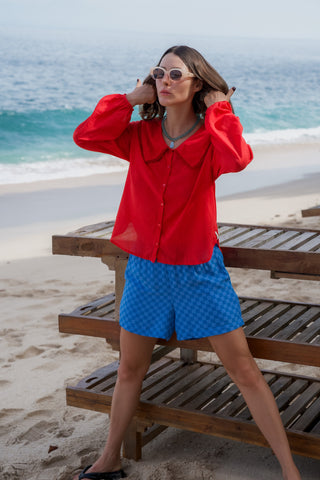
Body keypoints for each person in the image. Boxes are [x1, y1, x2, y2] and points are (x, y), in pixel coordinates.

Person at [72, 45, 301, 480]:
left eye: (177, 74)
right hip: (145, 272)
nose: (166, 81)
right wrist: (131, 99)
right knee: (129, 369)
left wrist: (222, 109)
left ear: (197, 83)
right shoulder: (139, 137)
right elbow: (86, 135)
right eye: (159, 73)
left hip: (199, 271)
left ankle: (290, 471)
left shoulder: (211, 139)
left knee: (244, 371)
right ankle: (109, 460)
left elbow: (237, 158)